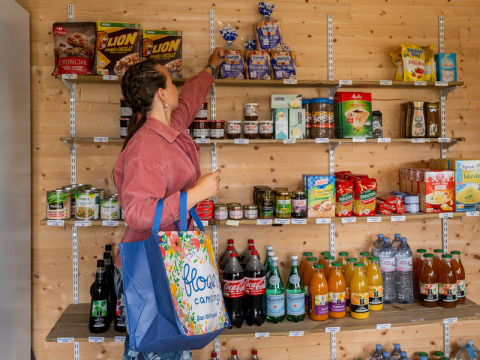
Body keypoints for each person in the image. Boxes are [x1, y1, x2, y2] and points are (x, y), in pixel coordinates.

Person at [113, 48, 225, 360]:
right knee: (153, 350)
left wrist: (209, 70)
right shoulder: (145, 148)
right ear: (162, 94)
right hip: (151, 264)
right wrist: (198, 193)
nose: (176, 86)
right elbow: (137, 214)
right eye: (171, 83)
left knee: (172, 345)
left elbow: (189, 99)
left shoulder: (169, 126)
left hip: (171, 259)